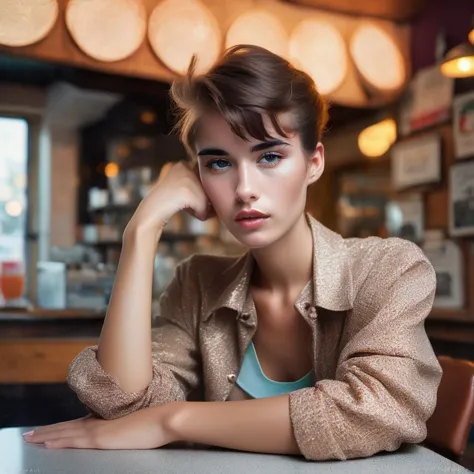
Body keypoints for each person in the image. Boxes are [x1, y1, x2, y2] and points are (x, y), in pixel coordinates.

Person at [23, 45, 442, 461]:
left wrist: (173, 421)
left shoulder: (389, 269)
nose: (244, 189)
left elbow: (377, 411)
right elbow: (120, 405)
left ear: (314, 163)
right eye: (219, 163)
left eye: (270, 156)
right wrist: (142, 229)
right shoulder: (198, 283)